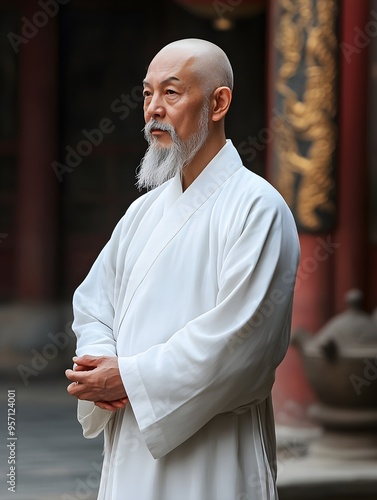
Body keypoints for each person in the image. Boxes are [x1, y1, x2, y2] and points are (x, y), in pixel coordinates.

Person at [65, 38, 300, 500]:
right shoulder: (142, 214)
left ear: (219, 102)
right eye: (147, 94)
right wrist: (102, 366)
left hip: (216, 455)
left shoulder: (258, 209)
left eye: (171, 93)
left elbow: (241, 340)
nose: (153, 109)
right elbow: (94, 305)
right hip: (133, 434)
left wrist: (130, 378)